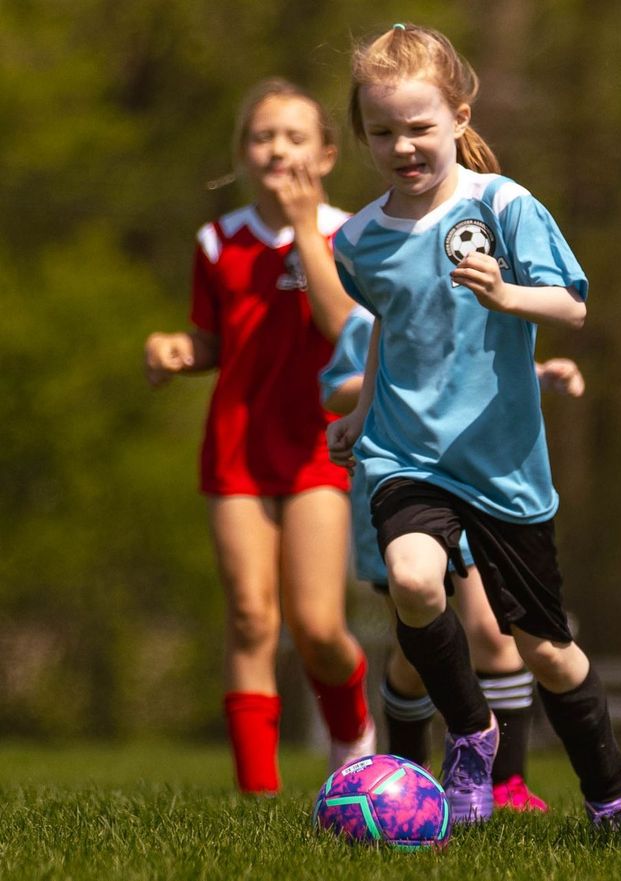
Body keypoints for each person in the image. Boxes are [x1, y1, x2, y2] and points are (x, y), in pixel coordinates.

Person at [326, 23, 621, 828]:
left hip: (502, 465)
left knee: (545, 649)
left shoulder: (504, 205)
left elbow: (570, 302)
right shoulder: (356, 241)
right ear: (363, 133)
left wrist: (508, 295)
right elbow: (395, 322)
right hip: (407, 455)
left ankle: (610, 791)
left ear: (460, 116)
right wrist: (362, 411)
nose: (404, 145)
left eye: (420, 126)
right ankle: (471, 735)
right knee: (415, 579)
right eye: (383, 131)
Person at [143, 78, 375, 795]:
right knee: (249, 616)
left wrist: (306, 231)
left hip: (318, 447)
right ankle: (257, 797)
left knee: (316, 627)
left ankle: (353, 737)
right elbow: (214, 340)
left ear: (328, 154)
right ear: (243, 152)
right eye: (262, 136)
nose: (278, 148)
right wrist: (177, 350)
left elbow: (343, 329)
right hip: (236, 448)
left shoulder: (354, 234)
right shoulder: (217, 241)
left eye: (295, 136)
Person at [320, 305, 587, 811]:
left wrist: (540, 374)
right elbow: (335, 390)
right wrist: (401, 385)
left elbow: (484, 371)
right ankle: (407, 768)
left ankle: (506, 781)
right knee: (415, 654)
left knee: (493, 633)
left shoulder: (480, 300)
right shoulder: (371, 305)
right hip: (407, 496)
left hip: (479, 488)